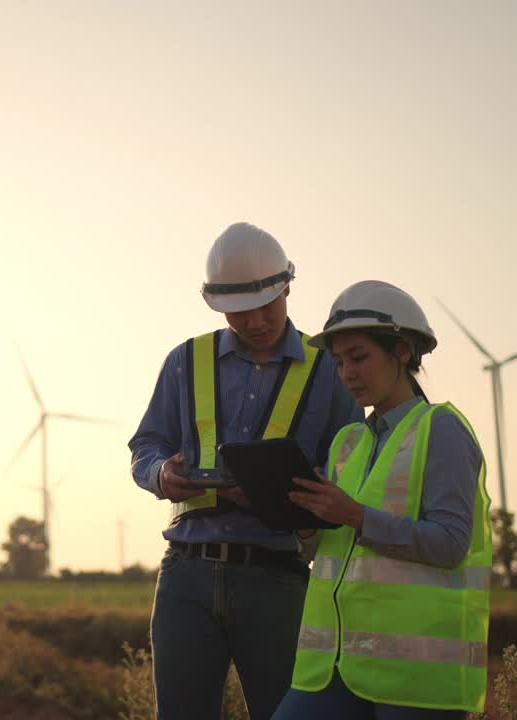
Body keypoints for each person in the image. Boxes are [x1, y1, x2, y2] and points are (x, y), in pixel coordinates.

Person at [129, 222, 362, 720]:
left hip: (277, 574)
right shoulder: (184, 361)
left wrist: (285, 494)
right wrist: (161, 475)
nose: (255, 321)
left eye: (267, 307)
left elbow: (351, 466)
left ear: (287, 289)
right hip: (186, 570)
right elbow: (146, 445)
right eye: (239, 313)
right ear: (217, 306)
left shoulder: (330, 370)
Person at [271, 280, 492, 719]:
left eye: (358, 357)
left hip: (417, 681)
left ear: (402, 352)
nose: (347, 374)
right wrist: (306, 527)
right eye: (338, 363)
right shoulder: (346, 444)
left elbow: (450, 543)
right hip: (333, 667)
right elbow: (334, 551)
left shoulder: (441, 430)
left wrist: (354, 515)